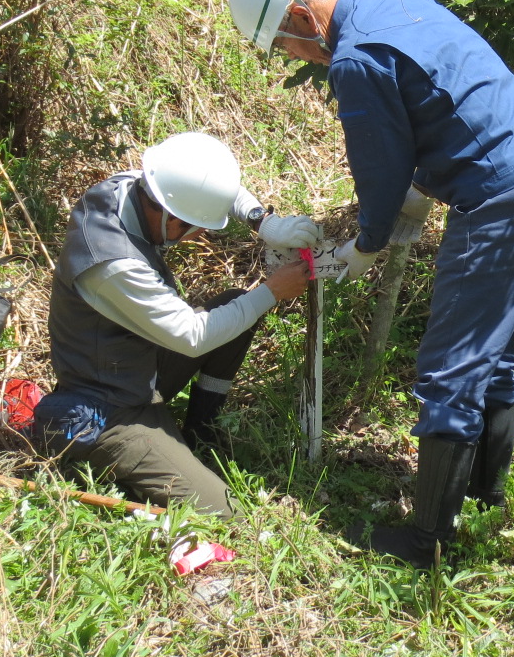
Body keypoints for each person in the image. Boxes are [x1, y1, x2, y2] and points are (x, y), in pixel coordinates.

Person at [227, 0, 514, 566]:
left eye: (286, 47)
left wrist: (367, 241)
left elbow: (379, 168)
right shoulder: (399, 4)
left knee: (450, 370)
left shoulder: (356, 61)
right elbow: (451, 100)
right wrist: (427, 182)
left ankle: (427, 543)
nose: (295, 58)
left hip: (497, 201)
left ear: (302, 18)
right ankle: (487, 500)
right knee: (498, 354)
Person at [34, 131, 316, 518]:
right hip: (108, 409)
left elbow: (206, 187)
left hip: (137, 367)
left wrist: (262, 222)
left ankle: (201, 429)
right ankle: (142, 448)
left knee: (235, 306)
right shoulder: (112, 264)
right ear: (169, 214)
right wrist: (271, 292)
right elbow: (193, 337)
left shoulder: (134, 187)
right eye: (194, 227)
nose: (198, 235)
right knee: (230, 515)